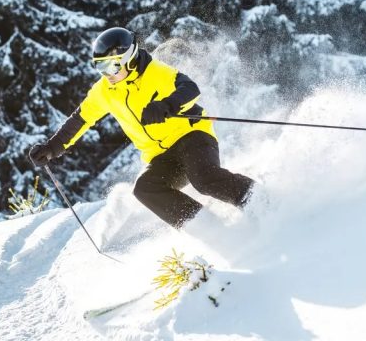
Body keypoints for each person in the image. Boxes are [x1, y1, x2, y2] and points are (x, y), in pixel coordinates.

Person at [29, 27, 255, 228]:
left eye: (112, 65)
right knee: (146, 189)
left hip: (191, 135)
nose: (107, 74)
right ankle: (207, 229)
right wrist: (52, 147)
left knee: (204, 180)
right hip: (161, 154)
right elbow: (79, 119)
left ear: (128, 59)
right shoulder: (104, 90)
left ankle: (256, 198)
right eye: (101, 67)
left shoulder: (156, 72)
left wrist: (165, 105)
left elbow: (190, 88)